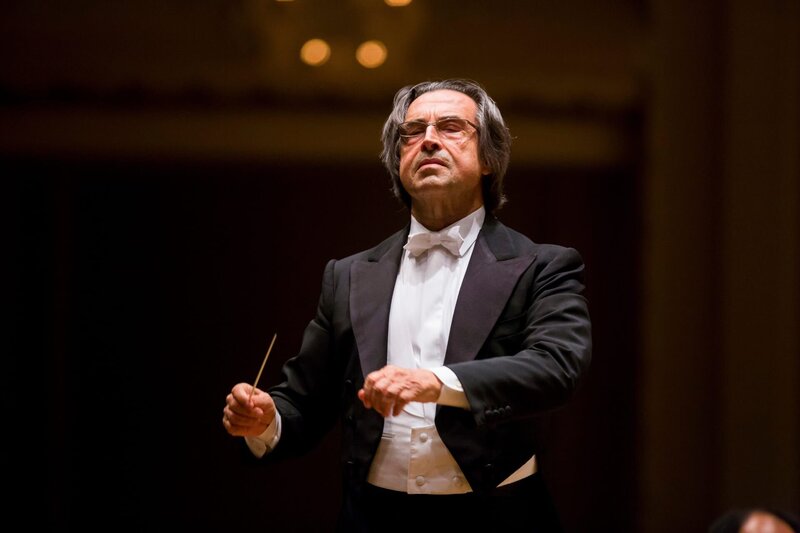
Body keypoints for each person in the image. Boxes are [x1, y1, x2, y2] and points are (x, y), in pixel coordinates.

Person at [222, 78, 592, 532]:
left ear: (489, 160)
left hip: (497, 515)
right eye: (412, 132)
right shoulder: (349, 274)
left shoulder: (543, 265)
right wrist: (264, 419)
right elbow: (303, 401)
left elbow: (556, 367)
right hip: (373, 517)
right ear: (398, 160)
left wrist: (433, 383)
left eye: (451, 126)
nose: (429, 139)